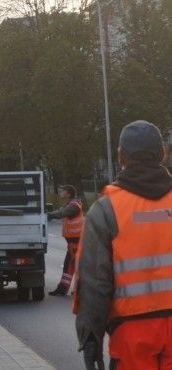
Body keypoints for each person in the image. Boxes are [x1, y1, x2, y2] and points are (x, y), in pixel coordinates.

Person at [74, 120, 172, 370]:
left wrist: (90, 336)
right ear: (163, 153)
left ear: (121, 156)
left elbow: (95, 281)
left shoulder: (106, 210)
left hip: (132, 333)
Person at [47, 184, 84, 296]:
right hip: (73, 242)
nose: (61, 192)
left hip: (76, 241)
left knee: (70, 265)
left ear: (68, 193)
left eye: (63, 191)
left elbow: (61, 213)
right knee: (72, 265)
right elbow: (60, 211)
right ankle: (74, 289)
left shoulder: (73, 206)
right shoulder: (69, 204)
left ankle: (64, 289)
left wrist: (49, 215)